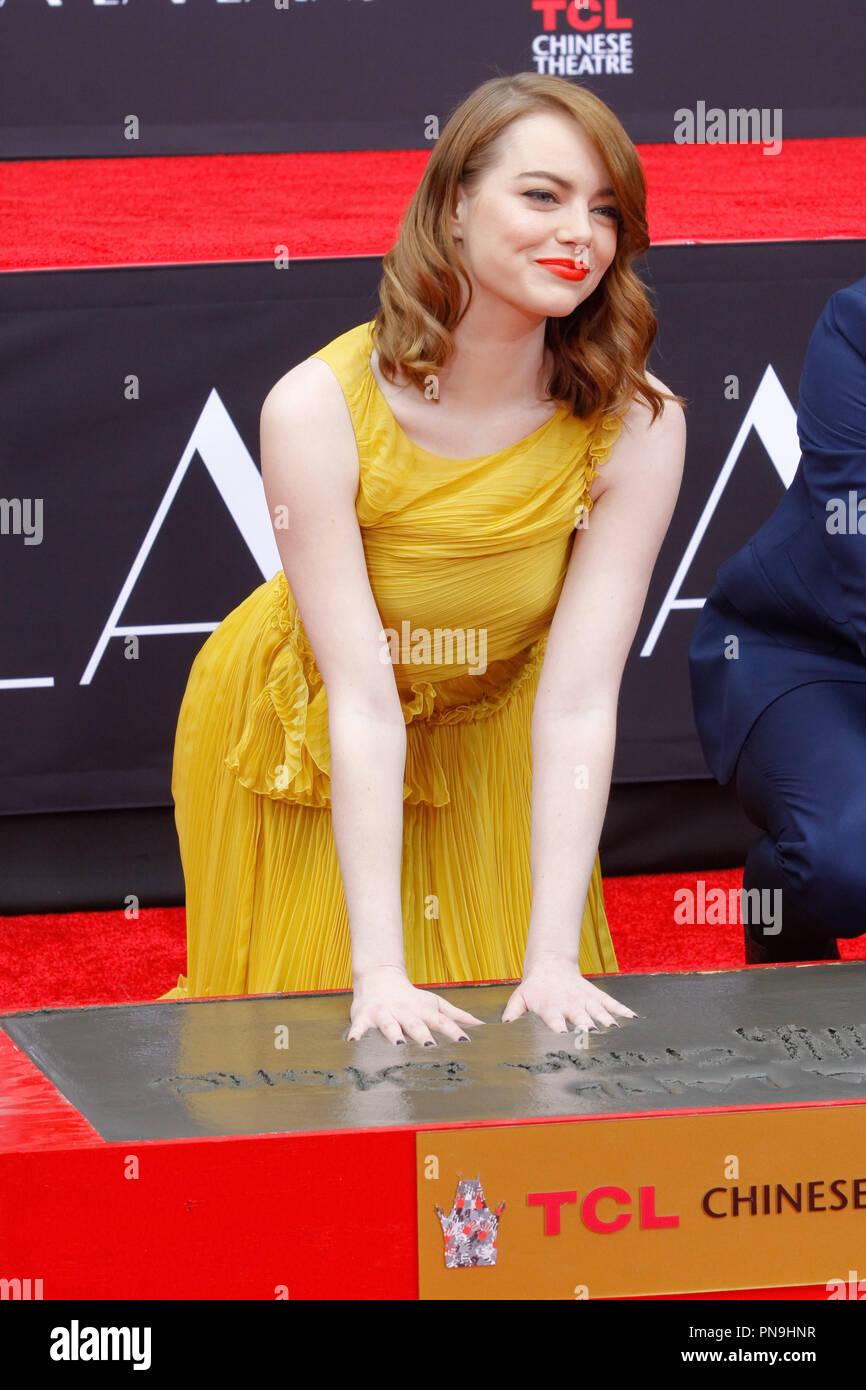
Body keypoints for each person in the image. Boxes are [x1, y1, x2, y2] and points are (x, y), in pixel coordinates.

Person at [160, 72, 686, 1044]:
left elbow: (578, 700)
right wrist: (379, 974)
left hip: (497, 719)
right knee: (316, 1041)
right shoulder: (316, 407)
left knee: (525, 1026)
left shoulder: (639, 424)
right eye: (542, 195)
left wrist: (553, 956)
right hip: (315, 724)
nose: (579, 233)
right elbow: (361, 698)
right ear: (453, 208)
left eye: (606, 210)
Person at [688, 276, 866, 964]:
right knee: (844, 864)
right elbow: (856, 532)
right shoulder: (856, 322)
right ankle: (780, 904)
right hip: (808, 647)